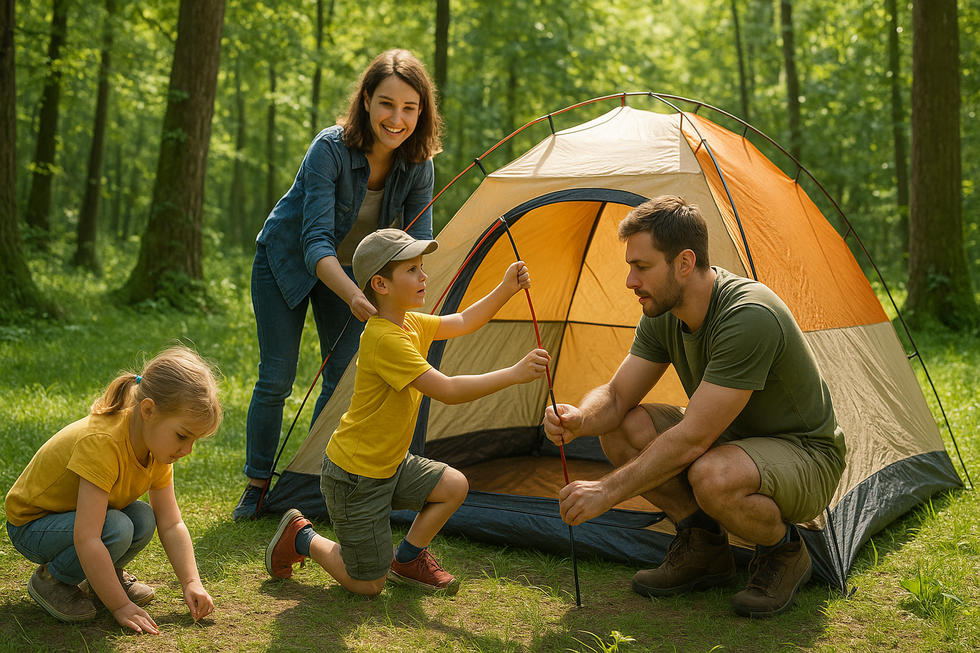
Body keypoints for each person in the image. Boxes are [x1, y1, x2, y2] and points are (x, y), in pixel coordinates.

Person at [543, 195, 846, 618]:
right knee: (618, 426)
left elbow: (693, 439)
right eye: (631, 266)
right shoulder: (662, 310)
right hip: (729, 439)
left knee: (713, 475)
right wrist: (578, 417)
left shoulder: (748, 314)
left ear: (685, 263)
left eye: (641, 267)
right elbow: (614, 398)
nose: (630, 281)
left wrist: (605, 492)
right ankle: (703, 544)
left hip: (804, 454)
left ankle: (784, 552)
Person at [264, 229, 551, 596]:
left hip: (391, 464)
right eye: (412, 270)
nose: (424, 276)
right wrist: (513, 374)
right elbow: (445, 390)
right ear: (381, 284)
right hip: (355, 478)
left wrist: (505, 288)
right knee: (369, 584)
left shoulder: (410, 322)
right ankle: (302, 536)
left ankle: (408, 558)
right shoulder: (384, 339)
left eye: (421, 268)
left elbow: (462, 321)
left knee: (453, 486)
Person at [236, 49, 443, 520]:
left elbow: (418, 241)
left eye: (409, 108)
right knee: (277, 377)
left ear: (421, 112)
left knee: (340, 378)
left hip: (352, 272)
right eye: (387, 104)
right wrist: (353, 293)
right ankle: (258, 484)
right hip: (286, 261)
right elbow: (314, 242)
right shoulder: (329, 148)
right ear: (367, 100)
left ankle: (309, 480)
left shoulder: (419, 165)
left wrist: (403, 290)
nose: (397, 118)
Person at [5, 345, 221, 633]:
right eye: (182, 435)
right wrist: (120, 606)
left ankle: (103, 577)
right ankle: (53, 580)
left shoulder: (157, 450)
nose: (188, 450)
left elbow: (171, 523)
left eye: (194, 441)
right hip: (31, 525)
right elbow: (88, 537)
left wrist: (192, 582)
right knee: (117, 526)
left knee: (143, 518)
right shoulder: (103, 443)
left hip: (74, 520)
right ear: (148, 411)